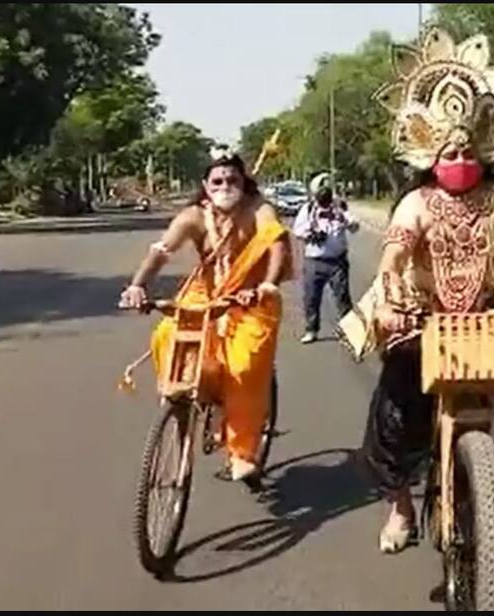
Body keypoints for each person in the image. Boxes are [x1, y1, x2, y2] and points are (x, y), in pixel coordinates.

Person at [336, 27, 494, 554]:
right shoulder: (417, 202)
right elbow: (394, 255)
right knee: (395, 411)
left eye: (465, 147)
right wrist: (391, 296)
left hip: (486, 317)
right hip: (419, 317)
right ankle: (401, 508)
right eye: (447, 149)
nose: (457, 156)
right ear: (430, 150)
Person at [119, 147, 292, 482]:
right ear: (205, 184)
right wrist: (137, 286)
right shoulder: (193, 217)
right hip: (206, 293)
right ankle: (196, 404)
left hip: (250, 297)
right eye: (218, 180)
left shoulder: (259, 209)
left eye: (232, 179)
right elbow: (161, 251)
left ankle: (243, 450)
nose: (225, 185)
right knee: (169, 337)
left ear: (244, 181)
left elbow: (277, 244)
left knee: (243, 366)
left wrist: (267, 285)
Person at [293, 173, 358, 344]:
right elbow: (297, 231)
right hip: (314, 261)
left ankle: (348, 330)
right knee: (311, 298)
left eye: (327, 194)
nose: (324, 199)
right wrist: (312, 234)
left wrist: (346, 221)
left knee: (343, 298)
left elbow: (354, 226)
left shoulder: (339, 208)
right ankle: (311, 329)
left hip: (337, 261)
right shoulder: (307, 210)